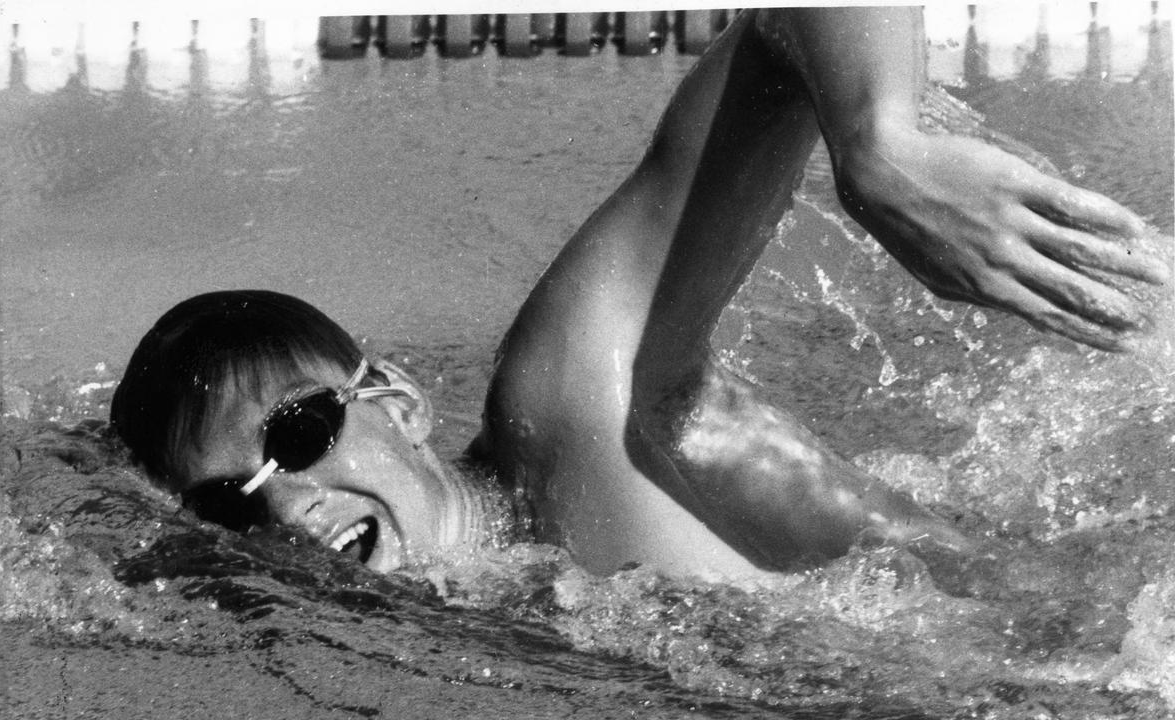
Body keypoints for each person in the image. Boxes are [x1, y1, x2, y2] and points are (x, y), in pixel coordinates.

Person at [110, 8, 1169, 583]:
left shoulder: (571, 408)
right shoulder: (450, 610)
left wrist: (878, 148)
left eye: (296, 435)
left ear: (392, 402)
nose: (287, 506)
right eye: (224, 501)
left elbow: (779, 24)